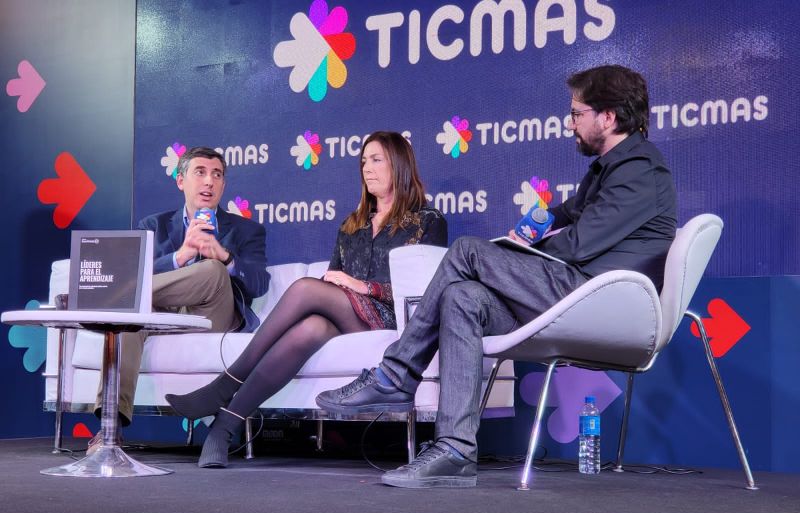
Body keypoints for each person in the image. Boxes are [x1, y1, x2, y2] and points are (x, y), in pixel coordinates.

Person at [315, 65, 678, 489]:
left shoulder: (640, 170)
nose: (571, 123)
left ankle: (395, 375)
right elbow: (568, 212)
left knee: (468, 251)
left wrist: (511, 254)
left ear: (609, 117)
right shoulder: (612, 168)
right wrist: (537, 223)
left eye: (577, 113)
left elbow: (580, 245)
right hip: (575, 291)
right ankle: (455, 450)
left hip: (597, 299)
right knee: (462, 297)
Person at [166, 131, 448, 468]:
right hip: (350, 316)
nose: (367, 169)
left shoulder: (428, 222)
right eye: (363, 162)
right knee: (311, 328)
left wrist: (363, 286)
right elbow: (333, 279)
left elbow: (425, 290)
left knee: (304, 289)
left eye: (376, 160)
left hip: (393, 317)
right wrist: (345, 286)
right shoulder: (352, 225)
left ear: (399, 164)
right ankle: (224, 429)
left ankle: (225, 384)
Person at [88, 146, 269, 453]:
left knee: (211, 270)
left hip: (213, 316)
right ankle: (111, 427)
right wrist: (180, 256)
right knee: (128, 320)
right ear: (181, 180)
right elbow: (135, 271)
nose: (209, 181)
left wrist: (225, 257)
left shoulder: (247, 230)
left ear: (223, 184)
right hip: (162, 315)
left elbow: (259, 284)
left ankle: (110, 297)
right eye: (200, 172)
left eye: (217, 175)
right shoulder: (153, 226)